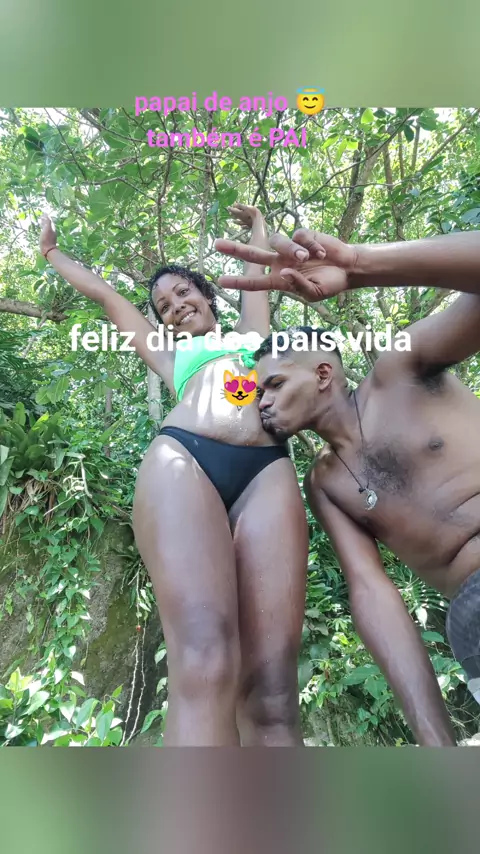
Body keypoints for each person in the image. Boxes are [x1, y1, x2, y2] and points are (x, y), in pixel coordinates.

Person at [39, 205, 309, 747]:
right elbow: (108, 297)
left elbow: (255, 273)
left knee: (274, 690)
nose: (175, 305)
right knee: (205, 663)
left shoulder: (252, 336)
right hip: (185, 462)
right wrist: (52, 254)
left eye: (183, 292)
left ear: (206, 296)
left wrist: (258, 226)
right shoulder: (167, 353)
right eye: (163, 305)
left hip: (267, 472)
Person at [214, 226, 480, 746]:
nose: (261, 402)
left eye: (274, 384)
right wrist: (434, 737)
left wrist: (359, 264)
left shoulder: (400, 371)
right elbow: (372, 593)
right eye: (258, 393)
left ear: (322, 373)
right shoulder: (325, 483)